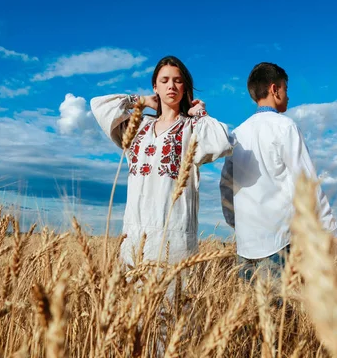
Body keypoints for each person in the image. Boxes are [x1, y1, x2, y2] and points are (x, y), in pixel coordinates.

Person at [219, 62, 337, 282]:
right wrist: (333, 232)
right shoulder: (285, 127)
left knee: (252, 314)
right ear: (274, 89)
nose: (288, 96)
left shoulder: (238, 133)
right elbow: (305, 181)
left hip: (246, 244)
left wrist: (237, 223)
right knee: (283, 315)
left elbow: (226, 185)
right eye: (285, 89)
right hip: (279, 243)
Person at [91, 55, 233, 266]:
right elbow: (99, 106)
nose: (171, 86)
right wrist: (140, 101)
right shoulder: (138, 127)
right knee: (133, 297)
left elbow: (222, 142)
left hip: (173, 235)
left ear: (185, 87)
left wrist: (200, 112)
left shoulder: (191, 128)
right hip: (134, 233)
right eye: (164, 80)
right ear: (155, 87)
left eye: (177, 80)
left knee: (173, 297)